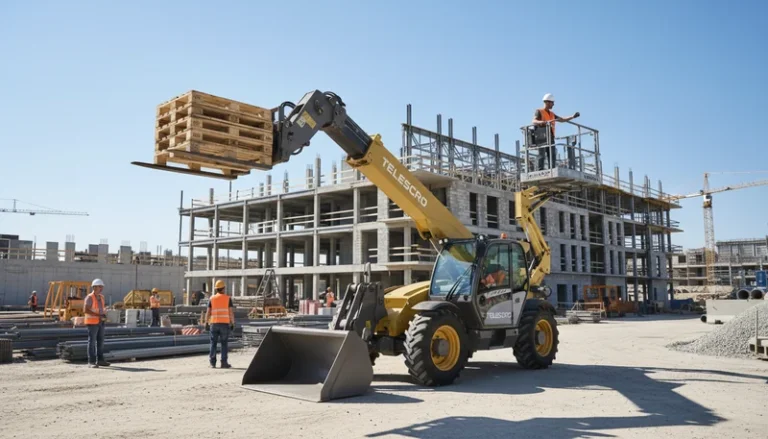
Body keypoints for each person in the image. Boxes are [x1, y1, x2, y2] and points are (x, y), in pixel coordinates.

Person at [532, 93, 580, 170]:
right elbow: (534, 121)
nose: (553, 104)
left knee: (552, 154)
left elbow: (562, 119)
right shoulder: (539, 111)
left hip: (550, 136)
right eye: (552, 102)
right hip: (542, 136)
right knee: (541, 155)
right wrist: (541, 122)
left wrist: (572, 116)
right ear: (547, 102)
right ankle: (540, 170)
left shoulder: (552, 114)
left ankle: (552, 169)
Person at [206, 280, 234, 368]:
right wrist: (232, 322)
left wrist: (206, 322)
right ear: (223, 288)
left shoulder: (212, 298)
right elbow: (231, 312)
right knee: (224, 344)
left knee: (213, 343)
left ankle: (212, 363)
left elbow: (208, 312)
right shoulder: (227, 298)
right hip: (224, 324)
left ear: (216, 289)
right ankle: (224, 363)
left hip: (214, 324)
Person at [83, 279, 110, 368]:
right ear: (94, 287)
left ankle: (100, 360)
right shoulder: (89, 297)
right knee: (92, 342)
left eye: (102, 287)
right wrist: (98, 315)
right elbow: (85, 310)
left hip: (100, 322)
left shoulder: (101, 297)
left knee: (101, 341)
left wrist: (104, 314)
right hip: (92, 323)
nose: (101, 288)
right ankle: (91, 361)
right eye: (100, 286)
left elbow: (101, 309)